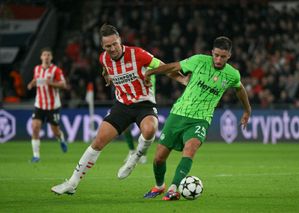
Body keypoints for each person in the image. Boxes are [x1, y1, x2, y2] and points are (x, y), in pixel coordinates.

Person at [51, 24, 188, 195]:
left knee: (150, 130)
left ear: (120, 40)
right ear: (103, 47)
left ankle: (134, 158)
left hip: (144, 104)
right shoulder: (104, 58)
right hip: (122, 105)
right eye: (108, 46)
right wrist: (107, 76)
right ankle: (72, 183)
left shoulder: (138, 54)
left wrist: (182, 80)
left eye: (115, 44)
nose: (112, 48)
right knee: (98, 141)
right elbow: (105, 68)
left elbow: (164, 67)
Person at [143, 36, 251, 201]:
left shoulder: (232, 74)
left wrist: (247, 110)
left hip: (201, 119)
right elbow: (173, 66)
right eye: (216, 55)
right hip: (178, 114)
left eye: (223, 56)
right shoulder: (199, 60)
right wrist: (150, 72)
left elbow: (240, 88)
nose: (218, 59)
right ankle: (159, 186)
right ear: (212, 52)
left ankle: (173, 189)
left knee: (190, 149)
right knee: (159, 158)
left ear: (229, 55)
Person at [27, 48, 68, 163]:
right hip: (39, 104)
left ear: (51, 57)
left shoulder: (56, 70)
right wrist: (31, 84)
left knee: (55, 131)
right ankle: (36, 156)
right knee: (35, 128)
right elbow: (36, 79)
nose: (46, 57)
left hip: (53, 106)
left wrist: (51, 83)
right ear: (41, 57)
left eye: (48, 55)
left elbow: (64, 85)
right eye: (44, 55)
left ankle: (61, 139)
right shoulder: (37, 69)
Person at [123, 75, 156, 164]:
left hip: (146, 100)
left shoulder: (151, 67)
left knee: (145, 128)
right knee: (124, 125)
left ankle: (143, 154)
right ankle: (131, 150)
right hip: (129, 98)